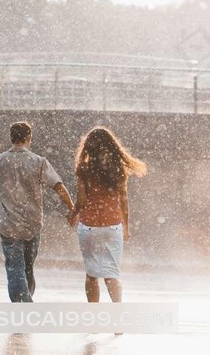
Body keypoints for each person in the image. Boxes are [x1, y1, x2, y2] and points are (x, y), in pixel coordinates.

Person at [0, 121, 75, 302]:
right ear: (28, 137)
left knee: (15, 267)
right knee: (28, 267)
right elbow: (59, 186)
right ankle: (26, 301)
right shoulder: (39, 162)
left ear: (11, 138)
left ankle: (22, 305)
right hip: (32, 224)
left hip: (8, 224)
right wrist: (71, 208)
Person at [67, 126, 146, 303]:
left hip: (89, 226)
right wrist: (126, 226)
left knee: (92, 274)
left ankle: (95, 319)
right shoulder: (118, 170)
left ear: (88, 146)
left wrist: (73, 214)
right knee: (111, 273)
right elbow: (124, 201)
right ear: (111, 146)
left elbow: (81, 200)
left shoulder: (84, 169)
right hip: (112, 226)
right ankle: (117, 318)